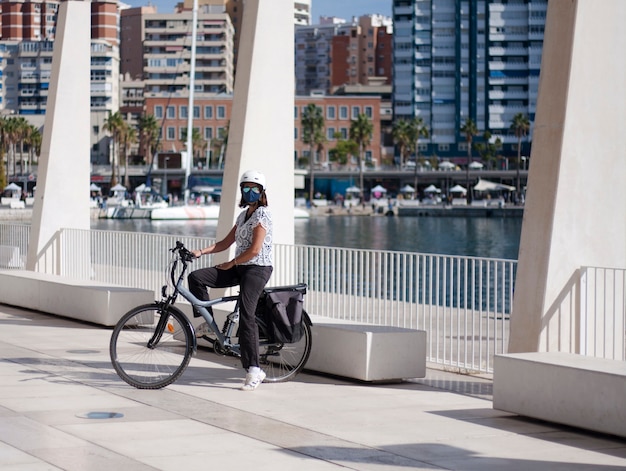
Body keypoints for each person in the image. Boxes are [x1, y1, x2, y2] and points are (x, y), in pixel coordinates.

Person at [188, 170, 273, 391]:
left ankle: (254, 369)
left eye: (255, 189)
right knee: (196, 277)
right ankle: (207, 323)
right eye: (246, 188)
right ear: (242, 191)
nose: (250, 192)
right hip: (239, 266)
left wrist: (231, 263)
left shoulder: (263, 215)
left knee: (247, 315)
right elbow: (225, 243)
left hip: (257, 269)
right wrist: (199, 252)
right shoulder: (243, 216)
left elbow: (255, 250)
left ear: (262, 192)